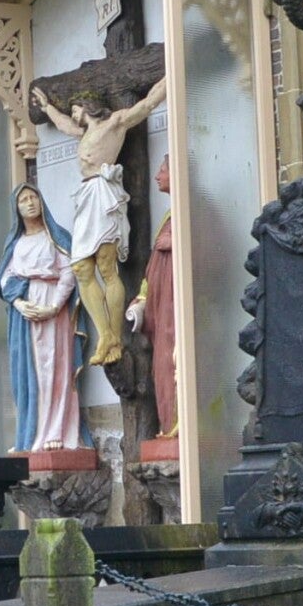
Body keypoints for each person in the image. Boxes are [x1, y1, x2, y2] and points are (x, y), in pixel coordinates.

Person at [29, 78, 167, 365]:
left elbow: (147, 104)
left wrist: (171, 74)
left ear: (87, 105)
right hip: (86, 196)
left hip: (104, 195)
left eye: (75, 108)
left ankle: (114, 336)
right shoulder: (82, 132)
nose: (73, 114)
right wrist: (46, 107)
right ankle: (105, 335)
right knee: (81, 267)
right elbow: (63, 124)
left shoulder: (114, 123)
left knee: (106, 267)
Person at [0, 184, 88, 452]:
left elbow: (69, 272)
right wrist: (19, 303)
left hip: (52, 307)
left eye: (33, 197)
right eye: (23, 200)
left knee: (55, 368)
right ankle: (31, 434)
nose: (30, 203)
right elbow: (5, 278)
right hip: (25, 314)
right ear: (17, 209)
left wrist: (54, 306)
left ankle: (57, 430)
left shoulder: (56, 238)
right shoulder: (15, 244)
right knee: (29, 372)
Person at [125, 155, 177, 440]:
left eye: (163, 170)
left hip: (175, 306)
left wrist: (173, 242)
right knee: (161, 365)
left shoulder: (191, 212)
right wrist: (143, 297)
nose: (157, 176)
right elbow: (153, 267)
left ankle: (178, 425)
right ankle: (168, 426)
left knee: (175, 360)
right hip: (160, 306)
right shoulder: (169, 217)